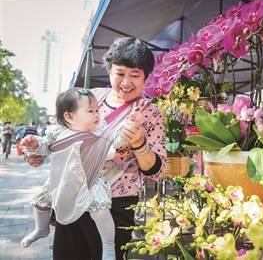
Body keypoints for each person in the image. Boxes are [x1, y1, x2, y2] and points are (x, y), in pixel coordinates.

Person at [25, 37, 166, 260]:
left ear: (146, 78)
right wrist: (37, 155)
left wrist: (139, 144)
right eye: (119, 74)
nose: (126, 82)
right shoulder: (89, 98)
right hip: (73, 193)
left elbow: (156, 171)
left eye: (135, 75)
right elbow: (63, 136)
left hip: (115, 203)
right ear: (110, 71)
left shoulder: (150, 112)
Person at [21, 88, 116, 260]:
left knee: (101, 211)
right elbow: (44, 147)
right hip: (61, 180)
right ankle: (41, 229)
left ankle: (108, 246)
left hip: (90, 181)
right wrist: (34, 144)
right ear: (69, 117)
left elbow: (110, 150)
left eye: (97, 110)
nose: (96, 115)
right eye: (90, 111)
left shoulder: (98, 132)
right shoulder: (57, 132)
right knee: (40, 202)